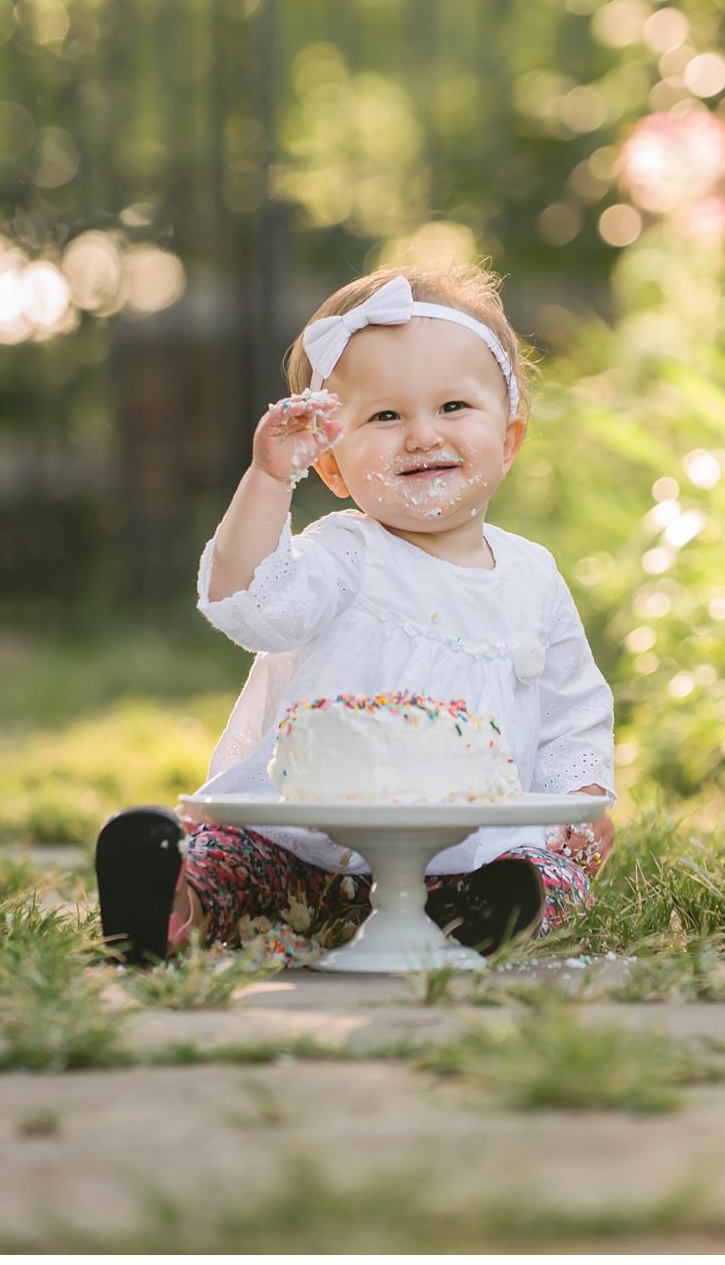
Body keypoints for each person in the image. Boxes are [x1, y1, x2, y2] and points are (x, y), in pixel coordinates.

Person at [95, 264, 615, 966]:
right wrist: (269, 479)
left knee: (553, 874)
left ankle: (484, 910)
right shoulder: (343, 554)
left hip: (464, 853)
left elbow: (571, 709)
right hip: (309, 843)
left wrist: (578, 797)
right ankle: (173, 900)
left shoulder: (533, 578)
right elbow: (252, 603)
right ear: (334, 469)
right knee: (234, 859)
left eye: (454, 407)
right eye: (386, 416)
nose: (423, 435)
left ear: (510, 438)